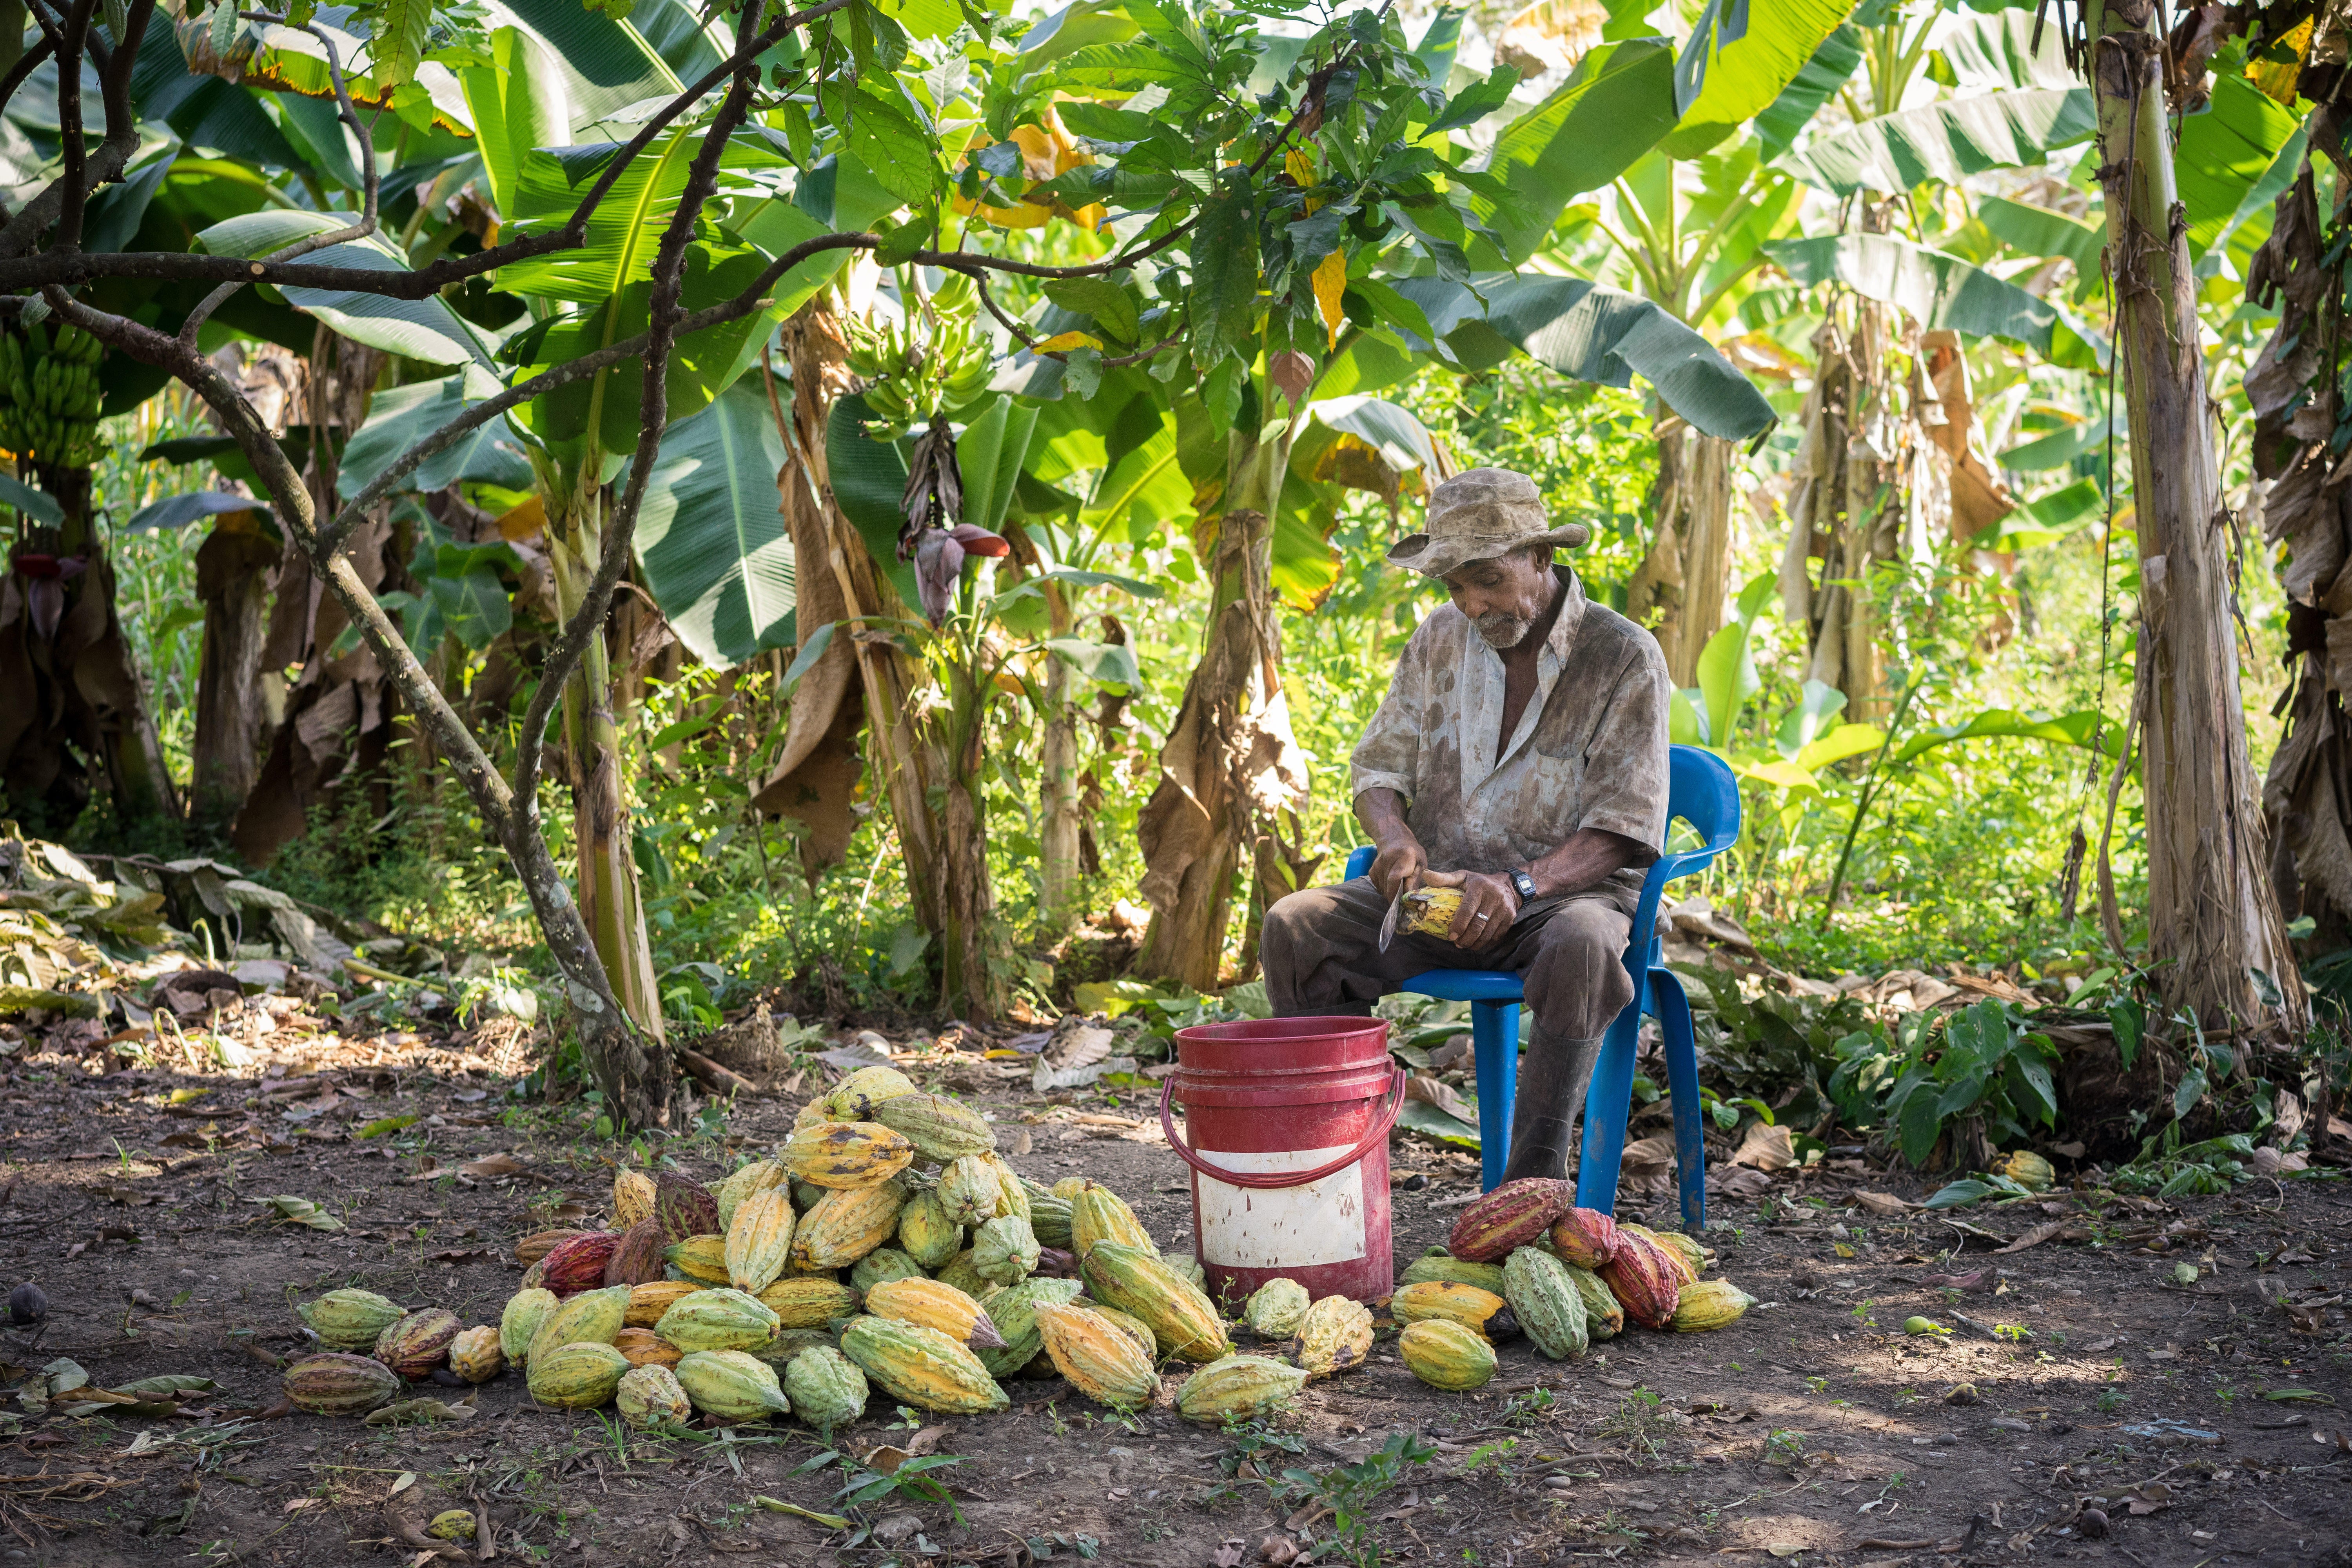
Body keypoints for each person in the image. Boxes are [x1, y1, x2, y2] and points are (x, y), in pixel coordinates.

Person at [1260, 466, 1670, 1185]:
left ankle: (1530, 1191)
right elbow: (1379, 770)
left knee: (1582, 944)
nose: (1472, 603)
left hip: (1561, 903)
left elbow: (1624, 827)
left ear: (1541, 558)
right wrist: (1395, 839)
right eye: (1453, 585)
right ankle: (1336, 1172)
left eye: (1486, 578)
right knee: (1297, 925)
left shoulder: (1623, 654)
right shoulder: (1440, 639)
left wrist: (1519, 885)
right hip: (1438, 898)